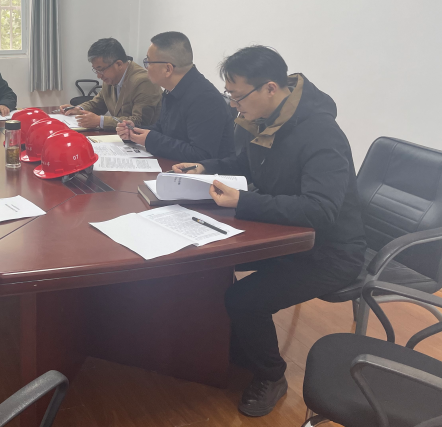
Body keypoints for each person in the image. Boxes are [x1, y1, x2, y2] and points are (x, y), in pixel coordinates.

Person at [171, 46, 366, 417]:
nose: (233, 105)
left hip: (330, 252)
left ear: (271, 88)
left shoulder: (321, 134)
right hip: (285, 234)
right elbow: (245, 163)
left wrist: (243, 201)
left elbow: (320, 210)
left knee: (243, 299)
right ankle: (237, 344)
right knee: (208, 265)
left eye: (237, 96)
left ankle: (271, 375)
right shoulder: (264, 118)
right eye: (229, 95)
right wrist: (205, 166)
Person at [116, 32, 234, 161]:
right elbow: (163, 129)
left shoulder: (205, 99)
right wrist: (134, 131)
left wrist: (150, 140)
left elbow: (201, 155)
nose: (146, 68)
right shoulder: (172, 90)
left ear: (168, 69)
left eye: (148, 62)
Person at [58, 38, 161, 130]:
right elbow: (98, 103)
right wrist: (78, 109)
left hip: (144, 141)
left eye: (101, 69)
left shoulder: (143, 81)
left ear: (118, 64)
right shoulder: (110, 79)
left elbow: (140, 122)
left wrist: (100, 121)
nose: (99, 76)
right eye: (96, 70)